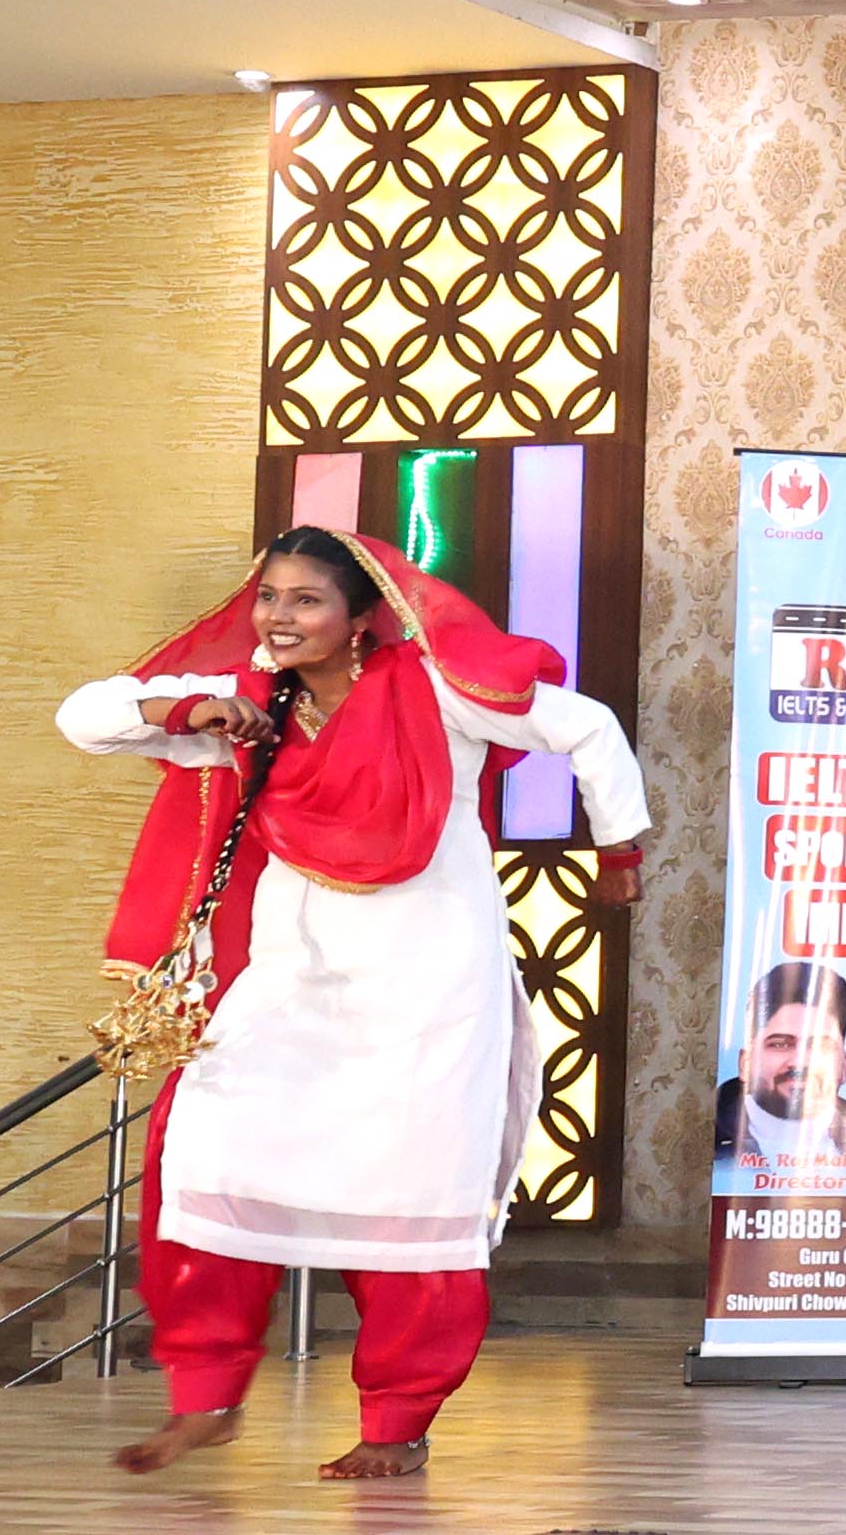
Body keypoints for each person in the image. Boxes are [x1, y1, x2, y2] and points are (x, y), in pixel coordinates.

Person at [63, 525, 651, 1482]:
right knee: (205, 1159)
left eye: (306, 600)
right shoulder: (251, 703)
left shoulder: (439, 689)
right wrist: (193, 706)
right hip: (293, 982)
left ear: (360, 615)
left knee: (413, 1202)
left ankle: (397, 1424)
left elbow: (587, 727)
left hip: (429, 986)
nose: (279, 616)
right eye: (268, 597)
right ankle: (206, 1396)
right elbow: (85, 715)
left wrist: (619, 847)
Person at [713, 961, 846, 1179]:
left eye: (819, 1046)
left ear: (844, 1066)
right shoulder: (700, 1157)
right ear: (746, 1063)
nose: (800, 1062)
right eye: (780, 1044)